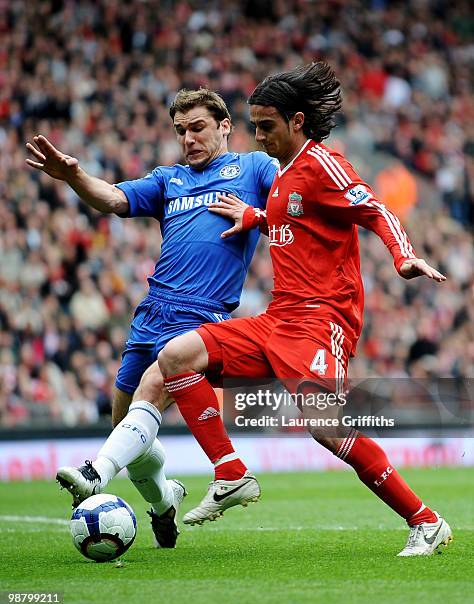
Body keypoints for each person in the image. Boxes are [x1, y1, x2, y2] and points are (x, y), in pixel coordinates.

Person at [148, 62, 452, 556]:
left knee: (326, 428)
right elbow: (297, 220)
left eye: (266, 125)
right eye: (255, 126)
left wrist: (403, 255)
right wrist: (255, 216)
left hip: (321, 319)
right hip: (277, 319)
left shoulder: (322, 164)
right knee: (176, 356)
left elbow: (374, 208)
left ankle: (426, 520)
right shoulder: (285, 175)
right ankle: (229, 472)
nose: (258, 135)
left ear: (296, 122)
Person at [25, 88, 277, 547]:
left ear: (225, 126)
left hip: (203, 318)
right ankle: (165, 502)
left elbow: (294, 204)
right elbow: (113, 199)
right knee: (129, 428)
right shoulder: (168, 180)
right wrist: (76, 176)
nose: (188, 138)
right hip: (151, 314)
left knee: (153, 390)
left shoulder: (255, 168)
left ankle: (93, 475)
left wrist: (255, 214)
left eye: (197, 127)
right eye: (180, 131)